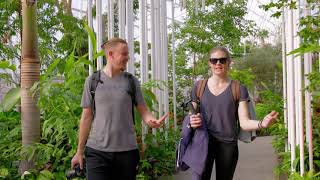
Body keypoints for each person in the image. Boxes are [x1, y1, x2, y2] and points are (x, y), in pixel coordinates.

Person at [71, 38, 168, 180]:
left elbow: (143, 110)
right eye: (124, 54)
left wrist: (151, 120)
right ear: (111, 55)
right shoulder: (92, 81)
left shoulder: (131, 81)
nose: (128, 58)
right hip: (97, 152)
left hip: (127, 152)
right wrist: (79, 151)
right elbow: (86, 117)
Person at [189, 46, 278, 180]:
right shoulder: (199, 86)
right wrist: (192, 121)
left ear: (229, 62)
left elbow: (244, 122)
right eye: (214, 60)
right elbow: (192, 115)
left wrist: (262, 123)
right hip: (203, 142)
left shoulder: (238, 88)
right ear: (209, 63)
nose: (218, 63)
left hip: (227, 145)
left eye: (222, 60)